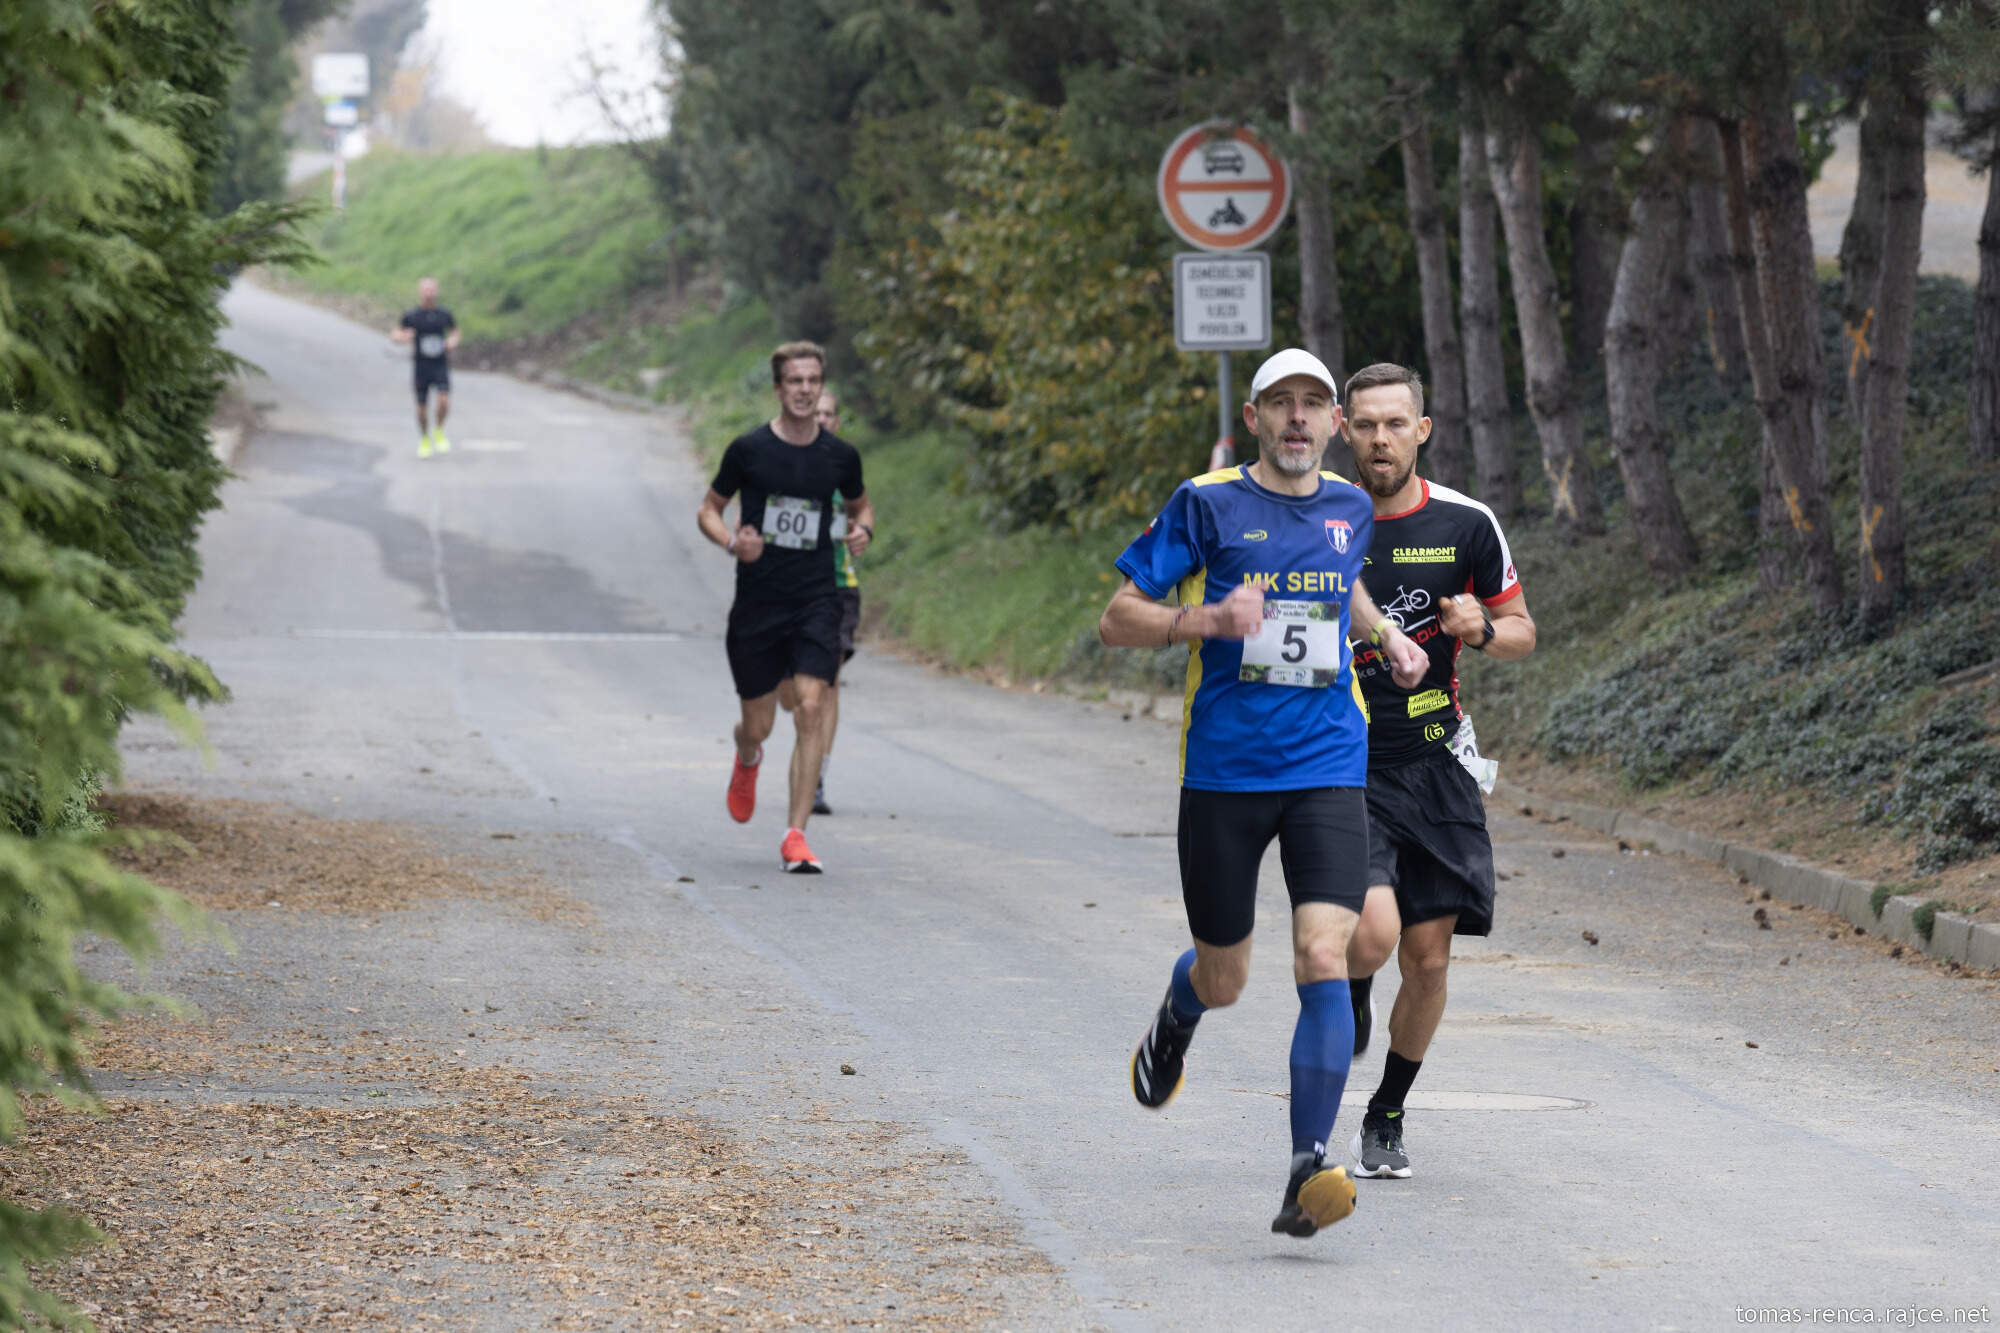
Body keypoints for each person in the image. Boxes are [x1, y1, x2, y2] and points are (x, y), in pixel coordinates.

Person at [1100, 347, 1426, 1239]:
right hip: (1225, 771)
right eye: (1280, 403)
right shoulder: (1205, 503)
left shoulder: (1349, 506)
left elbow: (1342, 585)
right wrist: (1204, 618)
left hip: (1328, 762)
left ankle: (1305, 1167)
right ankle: (1180, 1009)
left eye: (1313, 404)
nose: (1297, 418)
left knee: (1326, 953)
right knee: (1227, 974)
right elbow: (1117, 617)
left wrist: (1385, 635)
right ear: (1254, 418)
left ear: (1333, 423)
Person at [1337, 362, 1535, 1181]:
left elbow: (1522, 630)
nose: (1380, 439)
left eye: (1395, 423)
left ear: (1421, 430)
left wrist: (1478, 628)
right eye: (1365, 424)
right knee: (1373, 932)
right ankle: (1352, 991)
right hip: (1345, 764)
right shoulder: (1321, 519)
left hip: (1437, 763)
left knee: (1427, 961)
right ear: (1345, 431)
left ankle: (1386, 1112)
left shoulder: (1466, 522)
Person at [697, 342, 873, 873]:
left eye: (812, 381)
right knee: (759, 725)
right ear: (778, 388)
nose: (804, 390)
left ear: (821, 386)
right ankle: (747, 756)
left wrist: (863, 531)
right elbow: (709, 510)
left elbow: (861, 505)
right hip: (759, 604)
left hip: (817, 599)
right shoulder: (748, 451)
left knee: (812, 705)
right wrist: (732, 542)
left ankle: (796, 835)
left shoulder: (840, 457)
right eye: (795, 381)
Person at [389, 277, 459, 458]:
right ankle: (424, 438)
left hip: (440, 365)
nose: (429, 293)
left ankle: (439, 430)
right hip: (421, 367)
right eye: (426, 290)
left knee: (444, 401)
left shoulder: (444, 314)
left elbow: (455, 332)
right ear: (420, 292)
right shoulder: (412, 316)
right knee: (421, 408)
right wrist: (403, 337)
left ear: (437, 292)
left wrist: (452, 342)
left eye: (432, 290)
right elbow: (395, 335)